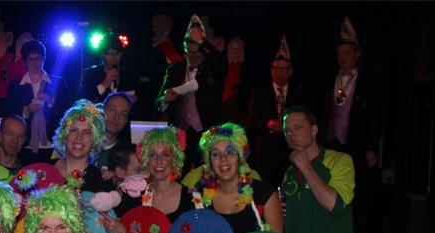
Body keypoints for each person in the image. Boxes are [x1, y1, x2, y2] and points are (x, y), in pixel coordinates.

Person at [318, 17, 382, 233]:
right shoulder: (327, 80)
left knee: (356, 200)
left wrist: (372, 147)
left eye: (347, 53)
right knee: (327, 194)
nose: (342, 58)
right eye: (339, 54)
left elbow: (376, 117)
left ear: (357, 54)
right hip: (330, 146)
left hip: (355, 147)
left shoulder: (368, 83)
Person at [196, 123, 284, 233]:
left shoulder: (264, 194)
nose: (223, 159)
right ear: (209, 162)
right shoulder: (199, 197)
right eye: (215, 154)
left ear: (240, 156)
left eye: (230, 152)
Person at [101, 126, 203, 233]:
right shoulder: (135, 197)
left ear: (175, 159)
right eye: (152, 155)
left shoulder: (192, 199)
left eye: (165, 155)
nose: (159, 161)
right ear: (146, 160)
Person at [155, 15, 228, 167]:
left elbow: (222, 63)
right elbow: (158, 103)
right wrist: (165, 100)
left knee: (207, 172)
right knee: (179, 171)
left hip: (207, 132)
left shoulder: (212, 68)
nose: (192, 49)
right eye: (188, 42)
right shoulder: (175, 69)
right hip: (180, 133)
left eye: (196, 43)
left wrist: (202, 43)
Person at [246, 36, 306, 188]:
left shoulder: (299, 94)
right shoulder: (260, 94)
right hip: (266, 155)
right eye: (276, 69)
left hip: (291, 154)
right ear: (271, 71)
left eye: (284, 69)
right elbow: (250, 123)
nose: (280, 73)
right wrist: (268, 124)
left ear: (290, 71)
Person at [5, 39, 71, 162]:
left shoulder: (58, 82)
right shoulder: (16, 85)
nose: (35, 62)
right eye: (31, 59)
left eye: (38, 58)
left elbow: (68, 111)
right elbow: (10, 114)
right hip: (24, 144)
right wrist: (27, 109)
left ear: (43, 58)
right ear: (24, 61)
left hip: (52, 143)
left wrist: (50, 102)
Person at [51, 99, 111, 193]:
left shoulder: (101, 182)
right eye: (74, 130)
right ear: (64, 136)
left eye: (86, 132)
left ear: (94, 141)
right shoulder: (41, 170)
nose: (79, 137)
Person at [79, 34, 138, 104]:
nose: (113, 57)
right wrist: (105, 83)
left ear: (121, 54)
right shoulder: (90, 74)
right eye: (109, 54)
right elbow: (85, 100)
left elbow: (134, 103)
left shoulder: (129, 77)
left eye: (116, 53)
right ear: (102, 55)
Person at [96, 92, 134, 173]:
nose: (117, 117)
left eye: (123, 114)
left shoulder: (125, 157)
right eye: (112, 109)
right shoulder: (82, 145)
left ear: (126, 121)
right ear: (101, 111)